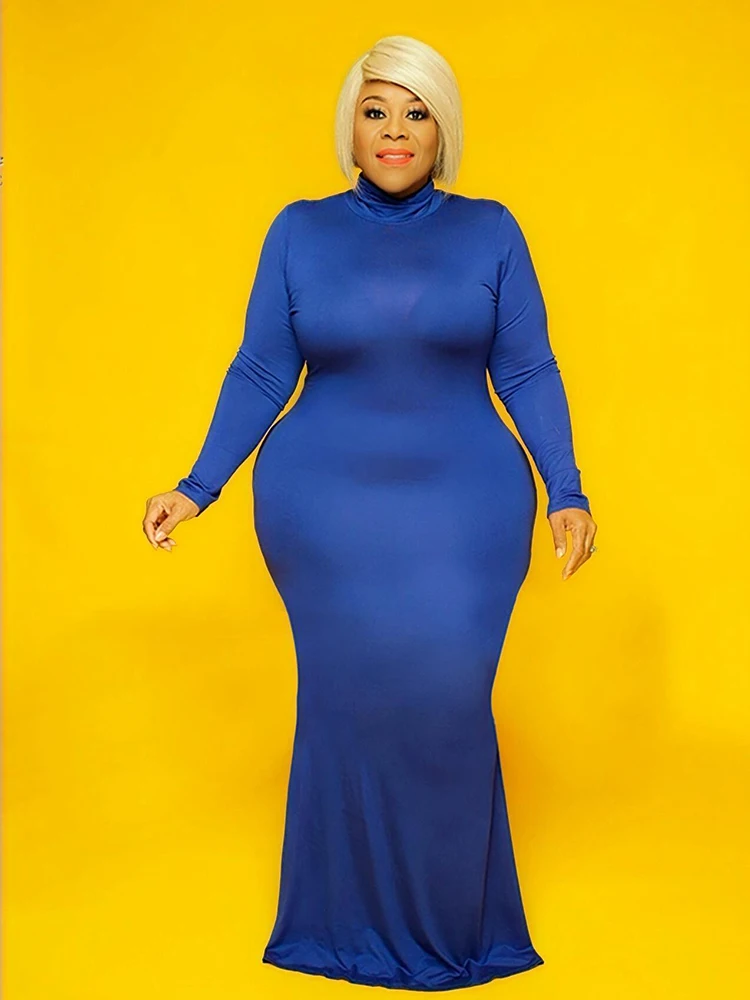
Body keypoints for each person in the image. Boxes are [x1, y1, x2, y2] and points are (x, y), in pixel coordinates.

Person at [143, 34, 597, 991]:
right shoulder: (298, 231)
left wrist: (566, 488)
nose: (396, 130)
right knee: (346, 710)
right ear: (349, 126)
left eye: (417, 112)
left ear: (444, 129)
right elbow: (261, 369)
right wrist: (196, 486)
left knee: (445, 703)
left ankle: (452, 929)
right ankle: (338, 932)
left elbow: (527, 369)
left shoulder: (492, 230)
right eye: (376, 110)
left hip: (468, 514)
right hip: (325, 518)